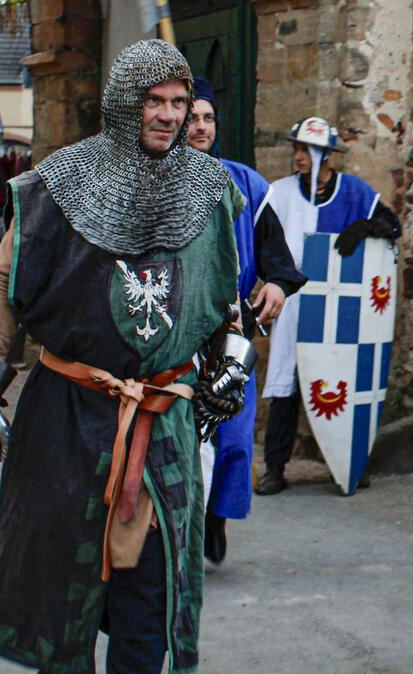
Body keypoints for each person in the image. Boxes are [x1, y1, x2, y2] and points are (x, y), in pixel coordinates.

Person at [0, 40, 252, 673]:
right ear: (123, 104)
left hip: (164, 417)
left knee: (149, 607)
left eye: (179, 102)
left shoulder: (210, 188)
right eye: (154, 102)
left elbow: (225, 294)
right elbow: (4, 285)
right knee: (63, 605)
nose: (169, 115)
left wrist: (235, 360)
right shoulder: (58, 186)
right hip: (68, 417)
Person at [187, 77, 307, 563]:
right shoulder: (155, 181)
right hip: (171, 335)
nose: (200, 126)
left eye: (207, 118)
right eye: (191, 117)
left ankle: (215, 519)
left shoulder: (246, 184)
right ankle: (183, 523)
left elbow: (277, 259)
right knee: (181, 441)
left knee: (234, 440)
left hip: (230, 337)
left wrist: (276, 285)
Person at [254, 116, 401, 495]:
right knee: (284, 383)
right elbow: (259, 237)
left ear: (324, 155)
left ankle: (349, 461)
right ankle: (275, 467)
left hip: (339, 307)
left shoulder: (352, 192)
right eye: (297, 149)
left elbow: (391, 225)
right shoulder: (280, 192)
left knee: (342, 378)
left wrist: (362, 228)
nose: (298, 156)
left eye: (306, 150)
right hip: (294, 301)